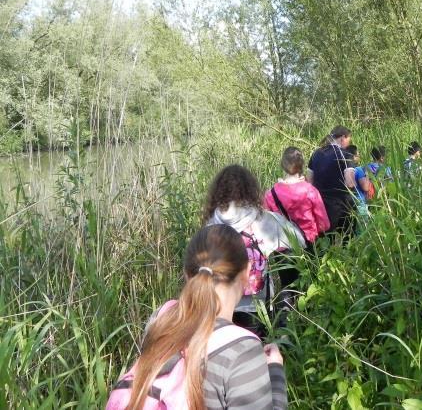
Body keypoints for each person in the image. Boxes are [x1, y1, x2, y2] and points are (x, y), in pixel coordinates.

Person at [108, 224, 287, 409]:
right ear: (247, 272)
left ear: (187, 274)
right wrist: (275, 372)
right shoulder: (243, 351)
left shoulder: (161, 318)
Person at [203, 165, 305, 334]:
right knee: (256, 350)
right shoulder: (263, 219)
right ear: (250, 189)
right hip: (257, 305)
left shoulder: (210, 225)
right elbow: (298, 240)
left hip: (218, 305)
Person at [264, 146, 330, 245]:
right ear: (301, 165)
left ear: (283, 165)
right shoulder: (310, 191)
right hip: (309, 243)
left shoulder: (270, 194)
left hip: (283, 245)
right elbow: (324, 225)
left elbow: (267, 224)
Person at [307, 126, 357, 236]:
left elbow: (309, 182)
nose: (349, 143)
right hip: (342, 205)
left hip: (321, 205)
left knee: (326, 240)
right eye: (349, 139)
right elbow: (350, 183)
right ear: (343, 137)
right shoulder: (346, 155)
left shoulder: (316, 154)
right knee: (347, 240)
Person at [344, 145, 372, 225]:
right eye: (358, 155)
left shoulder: (343, 169)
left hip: (346, 203)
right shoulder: (358, 170)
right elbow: (366, 187)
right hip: (359, 202)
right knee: (362, 228)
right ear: (354, 156)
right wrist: (367, 174)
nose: (359, 157)